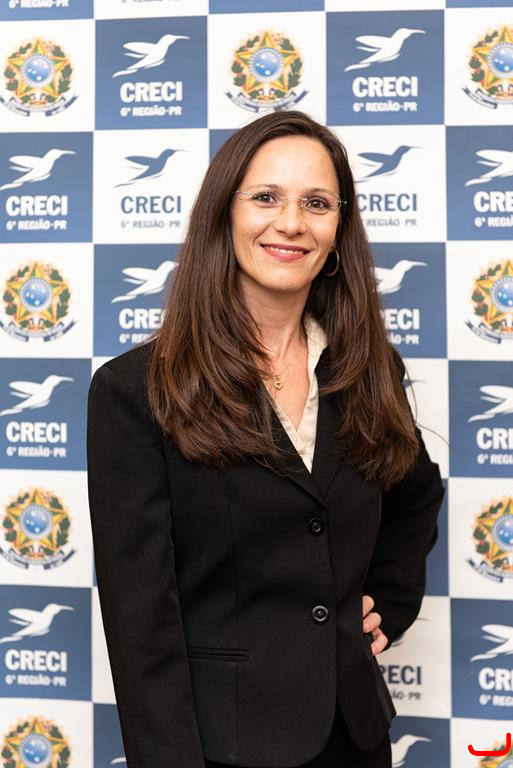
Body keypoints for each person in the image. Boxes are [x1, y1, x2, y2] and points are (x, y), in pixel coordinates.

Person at [87, 110, 444, 768]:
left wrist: (387, 602)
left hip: (354, 737)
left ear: (338, 231)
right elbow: (141, 626)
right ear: (224, 214)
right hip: (219, 748)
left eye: (316, 203)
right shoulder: (136, 390)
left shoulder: (368, 368)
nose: (291, 223)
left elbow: (415, 494)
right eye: (266, 197)